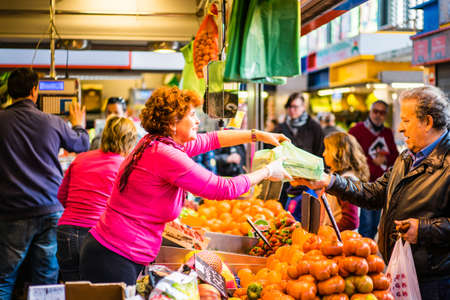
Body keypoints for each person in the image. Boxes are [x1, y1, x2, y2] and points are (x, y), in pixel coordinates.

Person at [79, 86, 292, 285]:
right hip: (114, 256)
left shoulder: (157, 143)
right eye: (192, 115)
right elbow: (222, 188)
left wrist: (259, 135)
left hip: (115, 250)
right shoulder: (165, 154)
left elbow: (213, 139)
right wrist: (267, 172)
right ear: (173, 123)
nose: (198, 121)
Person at [292, 85, 449, 300]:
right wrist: (330, 181)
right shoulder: (406, 158)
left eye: (406, 121)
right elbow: (374, 193)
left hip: (434, 281)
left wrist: (424, 229)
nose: (400, 129)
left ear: (428, 122)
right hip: (398, 268)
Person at [0, 68, 89, 299]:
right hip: (50, 208)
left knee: (5, 277)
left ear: (10, 92)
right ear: (34, 91)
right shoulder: (52, 121)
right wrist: (78, 124)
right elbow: (81, 145)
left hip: (12, 211)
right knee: (46, 278)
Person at [56, 115, 138, 281]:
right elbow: (131, 209)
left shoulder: (80, 159)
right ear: (130, 141)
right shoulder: (125, 166)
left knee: (71, 289)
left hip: (66, 231)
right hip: (97, 236)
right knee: (94, 290)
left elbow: (61, 197)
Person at [349, 100, 399, 239]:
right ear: (370, 112)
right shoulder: (356, 131)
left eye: (382, 112)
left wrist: (385, 160)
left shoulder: (387, 133)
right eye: (375, 111)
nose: (378, 115)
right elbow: (351, 156)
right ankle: (363, 255)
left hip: (383, 186)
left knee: (377, 225)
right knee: (366, 225)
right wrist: (372, 161)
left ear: (386, 115)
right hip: (364, 185)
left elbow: (396, 157)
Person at [268, 92, 325, 210]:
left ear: (303, 107)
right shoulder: (280, 128)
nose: (291, 110)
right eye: (289, 107)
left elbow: (320, 153)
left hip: (308, 182)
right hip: (283, 181)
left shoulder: (314, 128)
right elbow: (270, 150)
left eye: (295, 107)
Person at [322, 132, 370, 231]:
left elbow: (351, 221)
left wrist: (327, 231)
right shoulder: (337, 177)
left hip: (343, 241)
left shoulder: (347, 181)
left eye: (327, 149)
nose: (324, 153)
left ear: (339, 152)